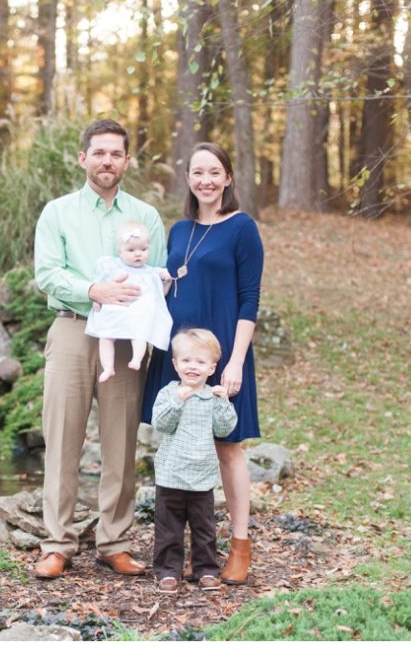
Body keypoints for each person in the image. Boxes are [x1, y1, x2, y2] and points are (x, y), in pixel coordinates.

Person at [33, 119, 167, 579]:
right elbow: (47, 274)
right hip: (72, 329)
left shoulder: (146, 216)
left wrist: (134, 307)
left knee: (120, 442)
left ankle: (115, 542)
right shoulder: (58, 212)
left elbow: (159, 276)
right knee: (63, 441)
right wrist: (94, 290)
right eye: (99, 152)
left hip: (128, 337)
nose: (107, 161)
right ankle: (57, 543)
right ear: (82, 158)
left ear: (127, 161)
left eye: (116, 154)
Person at [141, 142, 264, 585]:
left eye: (215, 172)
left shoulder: (242, 228)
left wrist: (234, 362)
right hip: (179, 358)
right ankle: (181, 552)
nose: (206, 180)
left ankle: (239, 544)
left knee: (227, 446)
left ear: (228, 178)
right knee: (179, 442)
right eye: (198, 172)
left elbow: (250, 300)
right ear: (188, 178)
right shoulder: (179, 230)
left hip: (222, 356)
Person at [150, 329, 237, 595]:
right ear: (176, 364)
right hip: (171, 474)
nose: (192, 367)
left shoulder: (212, 397)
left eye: (200, 362)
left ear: (211, 368)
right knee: (169, 528)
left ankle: (206, 569)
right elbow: (161, 424)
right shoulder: (168, 393)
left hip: (201, 475)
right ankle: (167, 571)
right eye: (186, 360)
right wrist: (178, 400)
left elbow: (224, 430)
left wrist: (224, 403)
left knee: (204, 528)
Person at [84, 220, 173, 383]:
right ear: (120, 252)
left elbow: (159, 296)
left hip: (136, 314)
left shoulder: (152, 273)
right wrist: (96, 301)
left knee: (140, 333)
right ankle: (108, 367)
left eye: (143, 249)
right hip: (114, 311)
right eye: (131, 250)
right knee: (105, 337)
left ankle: (137, 359)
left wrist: (167, 282)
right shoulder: (112, 267)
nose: (138, 254)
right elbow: (100, 285)